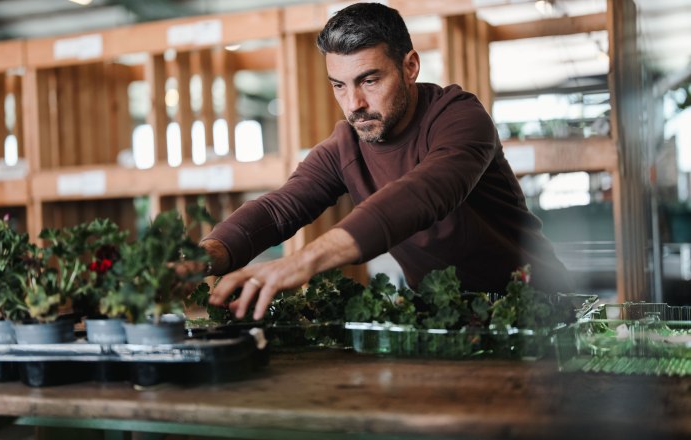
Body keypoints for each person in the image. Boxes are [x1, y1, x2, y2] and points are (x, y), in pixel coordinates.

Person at [200, 2, 572, 321]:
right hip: (443, 316)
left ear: (410, 67)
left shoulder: (459, 118)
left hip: (537, 309)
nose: (353, 104)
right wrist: (204, 257)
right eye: (339, 85)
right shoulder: (347, 144)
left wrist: (302, 262)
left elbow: (422, 195)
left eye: (369, 81)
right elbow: (280, 208)